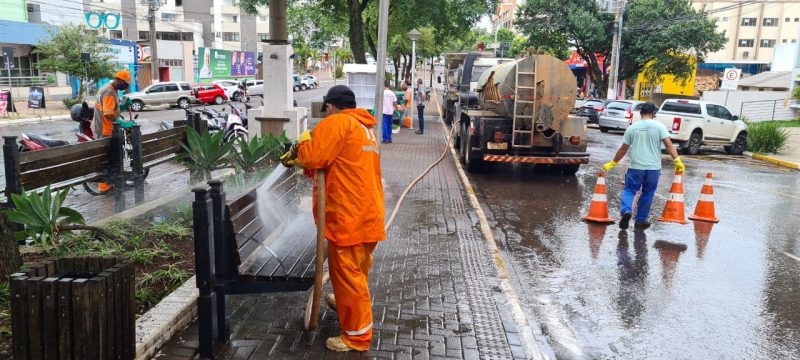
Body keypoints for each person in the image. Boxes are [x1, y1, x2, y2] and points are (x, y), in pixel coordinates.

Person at [281, 85, 386, 352]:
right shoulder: (365, 129)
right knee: (355, 271)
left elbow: (314, 157)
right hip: (368, 215)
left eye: (325, 109)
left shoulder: (337, 123)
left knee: (350, 277)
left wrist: (303, 141)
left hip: (347, 217)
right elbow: (336, 166)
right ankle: (343, 302)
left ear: (330, 106)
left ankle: (357, 337)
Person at [602, 102, 684, 230]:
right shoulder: (659, 126)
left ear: (640, 113)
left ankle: (626, 211)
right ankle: (640, 221)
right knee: (648, 193)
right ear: (653, 113)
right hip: (653, 169)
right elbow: (668, 144)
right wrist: (677, 160)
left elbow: (623, 148)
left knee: (630, 190)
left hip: (636, 167)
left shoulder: (632, 128)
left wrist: (613, 162)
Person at [92, 69, 132, 193]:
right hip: (105, 130)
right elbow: (108, 113)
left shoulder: (111, 89)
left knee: (113, 158)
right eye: (125, 84)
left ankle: (113, 183)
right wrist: (122, 123)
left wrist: (123, 106)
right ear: (118, 79)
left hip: (108, 129)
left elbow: (112, 109)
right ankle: (105, 186)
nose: (126, 87)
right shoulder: (109, 91)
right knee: (109, 159)